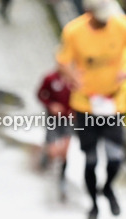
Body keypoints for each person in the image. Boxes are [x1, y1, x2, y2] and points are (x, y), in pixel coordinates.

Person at [56, 0, 126, 219]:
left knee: (115, 158)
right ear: (87, 12)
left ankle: (108, 187)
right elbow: (62, 61)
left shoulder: (122, 25)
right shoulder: (73, 31)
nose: (104, 20)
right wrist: (73, 78)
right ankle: (93, 204)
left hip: (113, 103)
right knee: (90, 161)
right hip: (85, 105)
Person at [37, 69, 75, 200]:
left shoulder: (76, 79)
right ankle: (46, 154)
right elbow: (40, 94)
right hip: (53, 120)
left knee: (65, 151)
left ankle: (62, 178)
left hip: (68, 120)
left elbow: (83, 97)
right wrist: (51, 105)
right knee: (53, 152)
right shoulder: (50, 78)